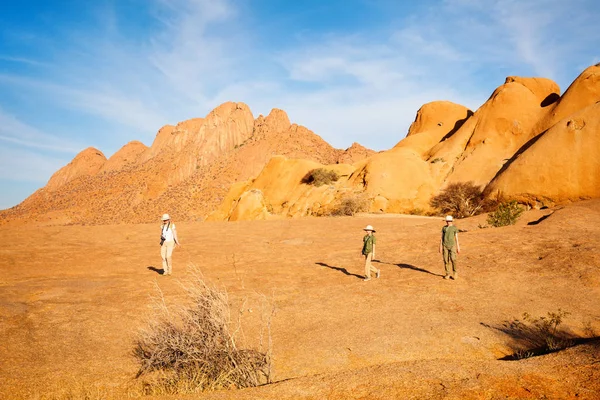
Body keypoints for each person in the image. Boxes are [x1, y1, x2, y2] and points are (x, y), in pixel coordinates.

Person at [439, 215, 460, 280]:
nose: (448, 222)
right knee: (446, 260)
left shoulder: (454, 228)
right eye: (447, 221)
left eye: (450, 221)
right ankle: (447, 273)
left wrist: (458, 247)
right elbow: (441, 238)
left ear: (451, 221)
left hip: (452, 245)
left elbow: (456, 238)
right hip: (445, 245)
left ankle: (455, 272)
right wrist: (440, 246)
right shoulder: (444, 228)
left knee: (453, 259)